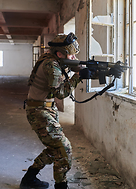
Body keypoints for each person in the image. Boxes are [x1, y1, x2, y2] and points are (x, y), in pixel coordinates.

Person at [20, 33, 93, 189]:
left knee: (56, 148)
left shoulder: (53, 60)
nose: (73, 58)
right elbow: (60, 93)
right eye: (71, 55)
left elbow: (66, 71)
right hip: (39, 111)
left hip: (45, 109)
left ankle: (29, 179)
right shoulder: (51, 66)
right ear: (60, 54)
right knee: (64, 147)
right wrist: (78, 77)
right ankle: (61, 186)